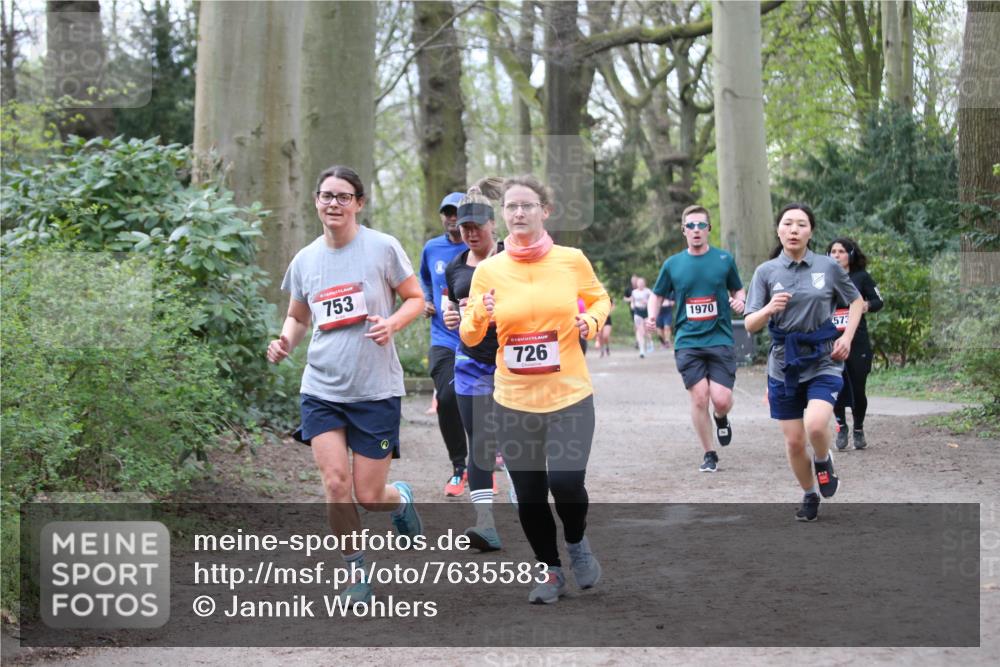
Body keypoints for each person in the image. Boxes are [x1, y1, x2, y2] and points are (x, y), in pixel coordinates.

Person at [267, 165, 425, 606]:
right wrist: (284, 342)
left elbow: (416, 299)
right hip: (321, 387)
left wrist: (391, 324)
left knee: (369, 496)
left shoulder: (382, 248)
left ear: (358, 203)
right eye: (325, 196)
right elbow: (298, 318)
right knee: (335, 484)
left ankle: (400, 501)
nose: (333, 203)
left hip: (375, 389)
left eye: (342, 196)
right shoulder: (305, 259)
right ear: (316, 201)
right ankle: (356, 574)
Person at [461, 175, 611, 604]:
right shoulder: (488, 270)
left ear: (546, 211)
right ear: (502, 215)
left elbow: (600, 298)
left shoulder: (571, 259)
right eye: (511, 207)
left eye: (528, 205)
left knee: (565, 483)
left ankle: (578, 543)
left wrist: (592, 321)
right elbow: (471, 338)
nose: (519, 213)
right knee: (528, 493)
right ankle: (551, 571)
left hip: (569, 396)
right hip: (513, 401)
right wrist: (481, 314)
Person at [743, 203, 864, 522]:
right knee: (795, 441)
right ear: (778, 230)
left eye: (801, 224)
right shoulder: (766, 272)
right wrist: (769, 309)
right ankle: (810, 493)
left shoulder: (827, 267)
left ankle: (823, 460)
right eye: (788, 224)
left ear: (811, 231)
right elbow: (750, 324)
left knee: (815, 424)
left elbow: (856, 301)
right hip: (784, 363)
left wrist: (846, 338)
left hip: (824, 357)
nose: (794, 230)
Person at [646, 205, 746, 473]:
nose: (696, 230)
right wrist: (651, 317)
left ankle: (721, 417)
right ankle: (709, 454)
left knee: (721, 399)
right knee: (700, 397)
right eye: (690, 226)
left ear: (709, 229)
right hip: (688, 341)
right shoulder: (673, 264)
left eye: (701, 225)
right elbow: (657, 294)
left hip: (720, 338)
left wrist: (740, 301)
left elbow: (738, 288)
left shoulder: (724, 259)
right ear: (683, 231)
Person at [442, 184, 506, 551]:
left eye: (476, 225)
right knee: (479, 441)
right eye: (464, 226)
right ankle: (485, 523)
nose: (469, 231)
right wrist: (453, 315)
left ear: (492, 224)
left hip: (511, 362)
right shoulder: (455, 266)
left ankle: (533, 512)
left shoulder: (512, 260)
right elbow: (454, 307)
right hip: (470, 361)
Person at [420, 192, 470, 496]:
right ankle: (459, 467)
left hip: (481, 340)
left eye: (458, 213)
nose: (452, 218)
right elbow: (423, 278)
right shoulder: (432, 248)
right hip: (444, 338)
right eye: (447, 213)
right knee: (448, 398)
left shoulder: (481, 248)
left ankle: (487, 457)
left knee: (486, 401)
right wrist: (426, 299)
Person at [827, 238, 883, 450]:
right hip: (831, 341)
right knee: (835, 386)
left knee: (858, 389)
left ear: (850, 254)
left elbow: (879, 301)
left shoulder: (861, 277)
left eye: (841, 251)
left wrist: (863, 306)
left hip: (857, 341)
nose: (837, 255)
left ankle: (858, 427)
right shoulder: (823, 277)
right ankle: (842, 426)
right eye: (833, 251)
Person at [631, 277, 653, 357]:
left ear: (644, 283)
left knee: (647, 330)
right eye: (639, 283)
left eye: (642, 283)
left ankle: (650, 342)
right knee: (640, 331)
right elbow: (632, 301)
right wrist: (632, 306)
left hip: (646, 311)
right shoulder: (634, 292)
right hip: (638, 312)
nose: (640, 284)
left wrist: (647, 301)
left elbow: (652, 300)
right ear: (637, 284)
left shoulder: (648, 291)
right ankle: (642, 350)